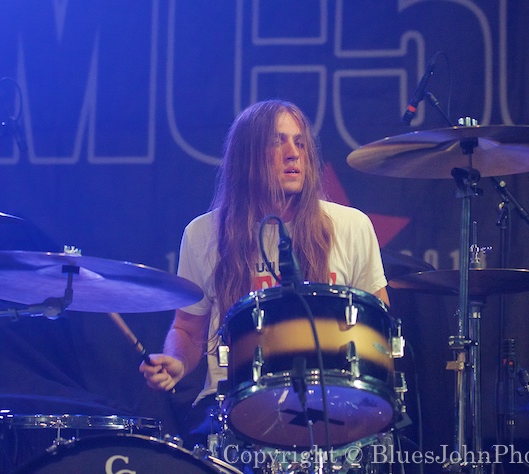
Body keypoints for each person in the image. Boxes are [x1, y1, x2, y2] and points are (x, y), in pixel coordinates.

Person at [139, 99, 389, 444]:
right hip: (232, 405)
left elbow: (378, 326)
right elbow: (188, 329)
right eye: (277, 142)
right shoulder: (203, 234)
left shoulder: (351, 226)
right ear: (247, 158)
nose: (293, 153)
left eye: (300, 143)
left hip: (333, 404)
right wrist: (177, 360)